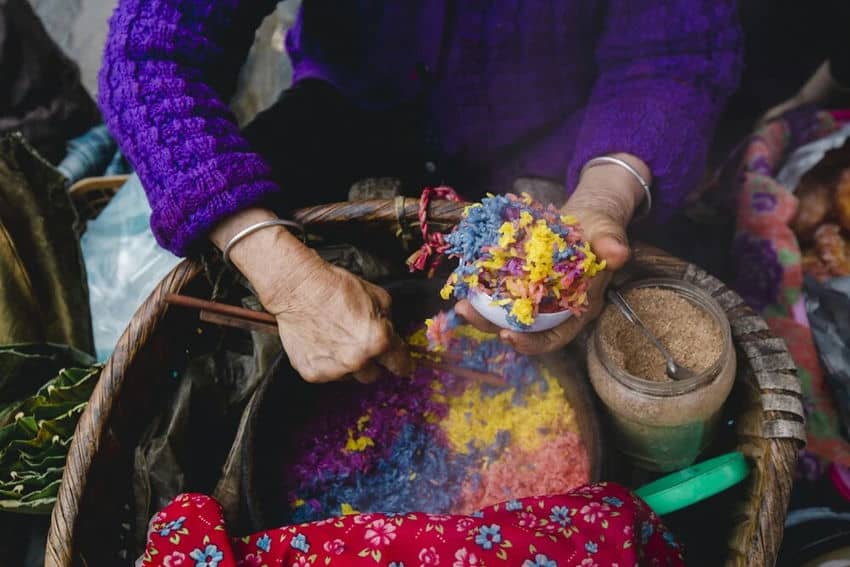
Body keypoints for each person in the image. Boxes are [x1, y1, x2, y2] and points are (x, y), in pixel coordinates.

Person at [99, 0, 742, 384]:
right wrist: (284, 277)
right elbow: (148, 57)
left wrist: (603, 198)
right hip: (352, 105)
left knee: (649, 330)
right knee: (200, 323)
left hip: (564, 139)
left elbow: (673, 55)